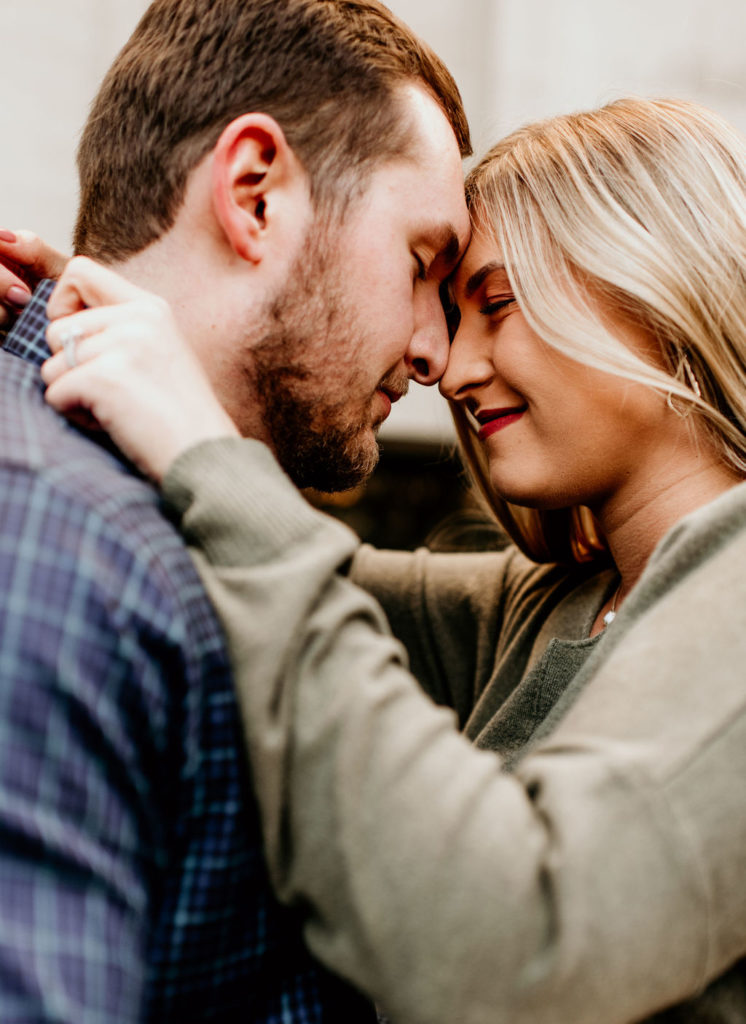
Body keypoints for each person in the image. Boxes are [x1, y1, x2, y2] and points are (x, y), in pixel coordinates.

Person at [34, 96, 746, 1024]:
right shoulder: (562, 607)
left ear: (661, 286)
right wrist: (124, 316)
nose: (450, 367)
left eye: (495, 301)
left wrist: (203, 446)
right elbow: (272, 580)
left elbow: (517, 949)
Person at [0, 0, 472, 1020]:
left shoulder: (139, 516)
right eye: (422, 263)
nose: (437, 353)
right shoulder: (55, 540)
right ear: (254, 195)